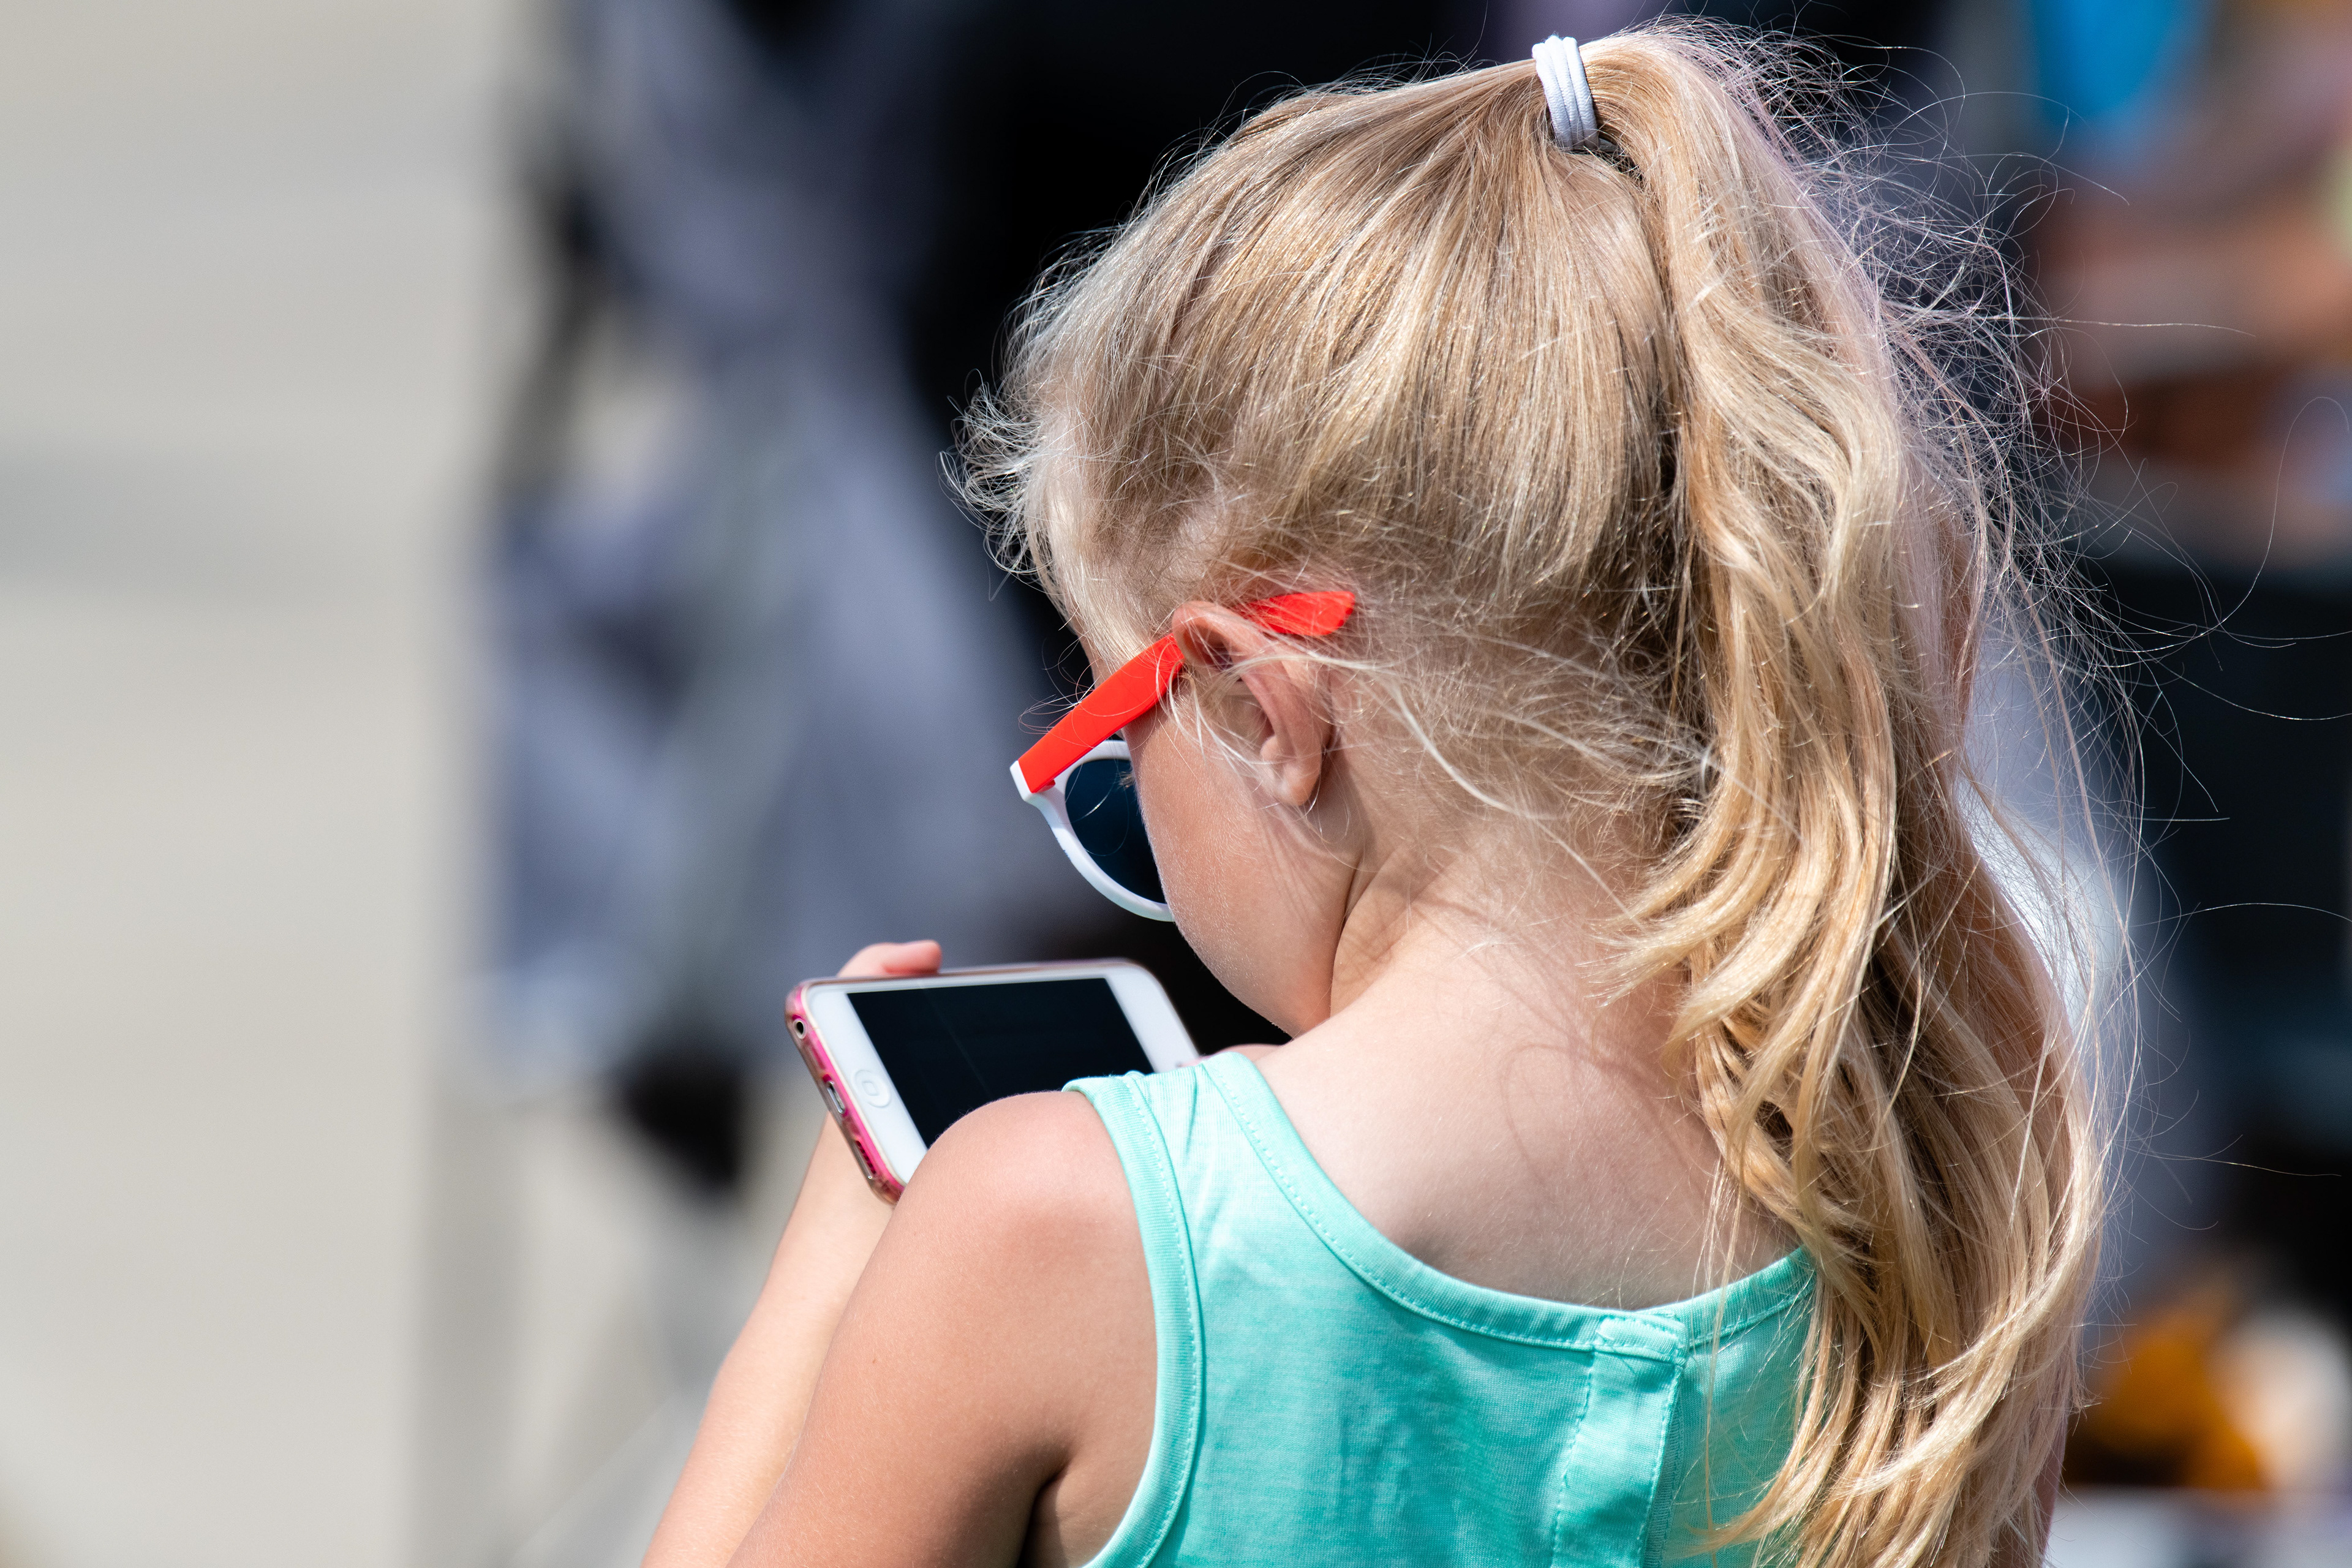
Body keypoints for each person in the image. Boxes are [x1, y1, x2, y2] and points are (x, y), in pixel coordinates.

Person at [643, 24, 2103, 1568]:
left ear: (1261, 710)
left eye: (1115, 756)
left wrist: (840, 1255)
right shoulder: (1942, 1187)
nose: (1124, 824)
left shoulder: (1051, 1226)